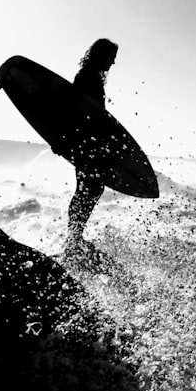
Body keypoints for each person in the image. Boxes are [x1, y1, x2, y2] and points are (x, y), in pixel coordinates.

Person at [63, 38, 118, 260]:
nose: (113, 62)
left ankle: (74, 236)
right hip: (86, 143)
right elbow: (75, 108)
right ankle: (73, 238)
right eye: (111, 56)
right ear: (100, 54)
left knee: (90, 188)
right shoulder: (87, 77)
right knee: (89, 188)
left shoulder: (91, 76)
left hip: (88, 142)